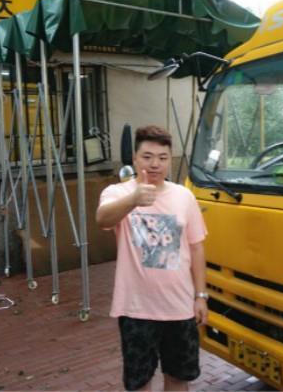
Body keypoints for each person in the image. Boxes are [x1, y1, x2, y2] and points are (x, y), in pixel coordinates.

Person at [96, 125, 208, 391]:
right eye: (147, 157)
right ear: (135, 159)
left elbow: (196, 248)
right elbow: (102, 220)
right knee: (140, 382)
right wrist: (133, 199)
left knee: (178, 378)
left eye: (162, 157)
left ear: (170, 160)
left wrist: (201, 296)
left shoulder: (184, 196)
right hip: (136, 308)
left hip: (179, 306)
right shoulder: (117, 193)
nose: (155, 164)